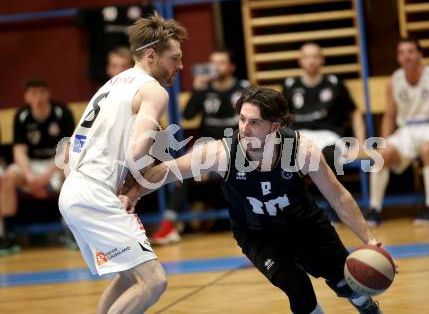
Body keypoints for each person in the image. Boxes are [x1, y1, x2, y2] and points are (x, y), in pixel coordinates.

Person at [121, 86, 388, 314]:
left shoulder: (301, 150)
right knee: (300, 292)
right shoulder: (222, 153)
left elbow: (339, 197)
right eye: (242, 120)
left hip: (305, 225)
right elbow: (168, 170)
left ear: (275, 126)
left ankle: (364, 303)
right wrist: (132, 192)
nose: (244, 129)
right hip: (258, 234)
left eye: (254, 122)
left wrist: (370, 240)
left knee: (348, 283)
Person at [58, 12, 187, 313]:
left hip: (77, 190)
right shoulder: (153, 90)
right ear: (152, 55)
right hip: (95, 194)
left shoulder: (112, 84)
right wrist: (148, 157)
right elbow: (137, 149)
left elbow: (72, 147)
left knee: (130, 278)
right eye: (175, 58)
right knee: (154, 281)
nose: (180, 66)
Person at [151, 49, 249, 245]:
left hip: (237, 145)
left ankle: (253, 224)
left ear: (231, 67)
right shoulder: (205, 89)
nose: (216, 67)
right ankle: (169, 227)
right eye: (213, 63)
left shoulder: (244, 89)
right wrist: (197, 90)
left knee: (247, 171)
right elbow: (187, 116)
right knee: (180, 170)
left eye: (221, 62)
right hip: (207, 147)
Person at [364, 37, 429, 227]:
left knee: (428, 149)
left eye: (410, 51)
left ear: (420, 54)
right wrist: (384, 142)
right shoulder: (394, 81)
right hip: (406, 129)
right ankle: (374, 209)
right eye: (402, 52)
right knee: (382, 155)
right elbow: (390, 116)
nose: (406, 56)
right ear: (398, 58)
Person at [0, 78, 75, 255]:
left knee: (72, 173)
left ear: (48, 93)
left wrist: (45, 176)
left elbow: (68, 149)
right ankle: (8, 235)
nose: (38, 97)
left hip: (56, 163)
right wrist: (30, 176)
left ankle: (71, 231)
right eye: (33, 93)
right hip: (31, 165)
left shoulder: (62, 112)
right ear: (26, 97)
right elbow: (19, 152)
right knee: (8, 178)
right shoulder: (22, 115)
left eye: (41, 92)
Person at [282, 42, 365, 170]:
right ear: (300, 61)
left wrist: (359, 144)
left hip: (330, 136)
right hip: (300, 135)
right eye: (307, 57)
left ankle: (328, 189)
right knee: (287, 156)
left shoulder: (334, 83)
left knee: (329, 156)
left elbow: (354, 112)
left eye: (315, 57)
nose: (311, 61)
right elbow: (280, 117)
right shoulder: (290, 85)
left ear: (322, 59)